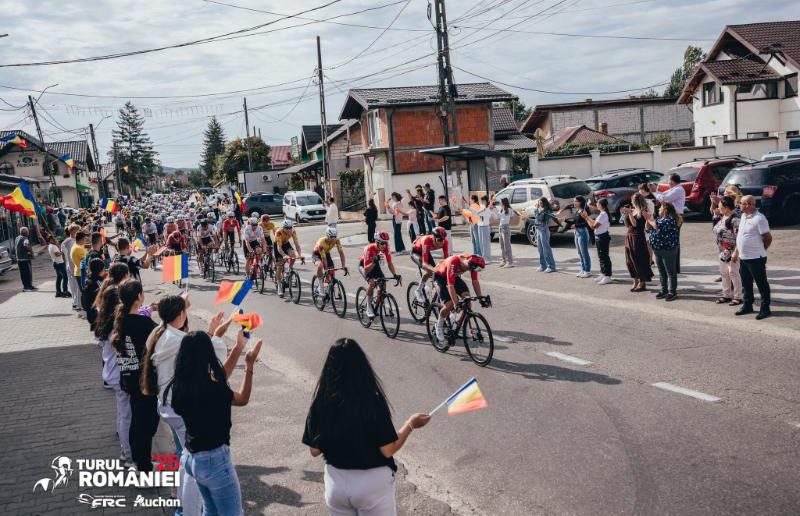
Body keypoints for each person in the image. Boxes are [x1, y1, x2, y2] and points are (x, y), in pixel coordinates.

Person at [303, 338, 430, 516]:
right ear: (362, 367)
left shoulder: (321, 401)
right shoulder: (372, 400)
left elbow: (314, 451)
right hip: (372, 483)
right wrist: (410, 424)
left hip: (336, 483)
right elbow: (388, 450)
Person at [141, 294, 239, 516]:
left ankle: (184, 505)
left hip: (168, 405)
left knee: (185, 457)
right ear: (181, 314)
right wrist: (218, 337)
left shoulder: (160, 333)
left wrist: (212, 332)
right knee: (193, 466)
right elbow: (209, 356)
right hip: (178, 410)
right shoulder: (176, 339)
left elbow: (197, 348)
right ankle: (188, 510)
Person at [168, 331, 262, 516]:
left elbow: (219, 378)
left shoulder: (180, 385)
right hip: (215, 462)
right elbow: (242, 398)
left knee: (210, 509)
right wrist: (249, 365)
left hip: (193, 458)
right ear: (208, 354)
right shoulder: (213, 389)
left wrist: (239, 347)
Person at [111, 279, 159, 472]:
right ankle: (144, 467)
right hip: (144, 381)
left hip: (128, 378)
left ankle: (138, 461)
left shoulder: (121, 320)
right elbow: (163, 336)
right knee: (146, 425)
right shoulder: (143, 323)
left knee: (137, 422)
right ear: (139, 296)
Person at [432, 254, 488, 343]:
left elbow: (475, 281)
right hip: (439, 276)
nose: (472, 271)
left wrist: (480, 298)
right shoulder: (454, 262)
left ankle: (457, 326)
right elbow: (450, 286)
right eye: (472, 269)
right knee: (449, 304)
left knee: (467, 301)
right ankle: (439, 326)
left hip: (453, 276)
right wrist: (456, 304)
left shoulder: (473, 263)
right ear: (469, 265)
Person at [733, 195, 772, 320]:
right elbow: (740, 236)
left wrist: (761, 249)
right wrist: (736, 252)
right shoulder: (743, 216)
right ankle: (747, 305)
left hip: (756, 257)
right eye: (743, 203)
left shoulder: (759, 218)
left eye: (749, 203)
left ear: (754, 205)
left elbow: (768, 237)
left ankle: (765, 308)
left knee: (761, 283)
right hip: (743, 257)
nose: (746, 206)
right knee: (746, 283)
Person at [645, 201, 681, 301]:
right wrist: (648, 219)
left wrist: (649, 218)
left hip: (668, 249)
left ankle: (672, 292)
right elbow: (647, 228)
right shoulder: (659, 219)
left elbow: (657, 226)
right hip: (657, 249)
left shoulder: (670, 219)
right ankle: (664, 290)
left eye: (661, 208)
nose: (659, 209)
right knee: (661, 271)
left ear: (665, 210)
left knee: (670, 271)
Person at [650, 174, 685, 273]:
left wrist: (655, 192)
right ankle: (673, 265)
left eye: (669, 180)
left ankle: (675, 267)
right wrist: (656, 191)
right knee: (672, 239)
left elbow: (665, 198)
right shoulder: (674, 189)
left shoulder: (678, 189)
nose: (668, 182)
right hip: (671, 216)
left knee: (674, 241)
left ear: (673, 181)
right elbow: (663, 194)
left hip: (675, 216)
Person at [359, 232, 399, 319]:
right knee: (372, 283)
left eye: (386, 242)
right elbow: (366, 269)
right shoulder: (369, 249)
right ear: (376, 242)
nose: (384, 245)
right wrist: (374, 261)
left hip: (375, 264)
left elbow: (389, 263)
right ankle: (369, 307)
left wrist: (395, 274)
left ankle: (376, 306)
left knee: (383, 284)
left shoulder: (385, 247)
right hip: (365, 266)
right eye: (382, 243)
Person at [712, 196, 743, 306]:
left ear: (726, 207)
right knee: (724, 273)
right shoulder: (722, 217)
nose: (718, 207)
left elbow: (739, 237)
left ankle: (738, 297)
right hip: (722, 250)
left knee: (733, 273)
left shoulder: (735, 220)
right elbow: (715, 229)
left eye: (720, 206)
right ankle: (726, 295)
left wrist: (736, 252)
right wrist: (715, 215)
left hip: (732, 250)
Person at [621, 194, 653, 292]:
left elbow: (635, 224)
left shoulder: (643, 211)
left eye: (632, 200)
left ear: (635, 201)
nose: (631, 202)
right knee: (629, 260)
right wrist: (625, 215)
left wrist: (630, 213)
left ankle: (642, 282)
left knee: (638, 260)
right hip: (629, 236)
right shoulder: (633, 210)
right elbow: (628, 225)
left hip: (638, 237)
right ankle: (635, 280)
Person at [411, 227, 450, 301]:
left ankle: (433, 290)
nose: (442, 242)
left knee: (437, 273)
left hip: (425, 251)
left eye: (443, 239)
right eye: (439, 240)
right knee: (430, 271)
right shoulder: (426, 240)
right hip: (416, 252)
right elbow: (424, 263)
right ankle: (418, 290)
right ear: (433, 238)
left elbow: (446, 260)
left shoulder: (445, 242)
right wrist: (434, 270)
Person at [561, 196, 592, 278]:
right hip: (577, 233)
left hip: (583, 233)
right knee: (580, 252)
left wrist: (576, 225)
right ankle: (583, 269)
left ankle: (587, 271)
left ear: (580, 202)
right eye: (574, 201)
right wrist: (565, 220)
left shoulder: (584, 211)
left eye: (576, 201)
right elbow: (574, 222)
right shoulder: (577, 211)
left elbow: (586, 223)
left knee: (584, 252)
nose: (574, 203)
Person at [313, 227, 347, 296]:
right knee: (320, 266)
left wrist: (343, 265)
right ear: (327, 235)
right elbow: (323, 258)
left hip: (326, 253)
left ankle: (329, 290)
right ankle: (320, 287)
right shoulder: (321, 243)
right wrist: (326, 269)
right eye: (331, 237)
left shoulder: (337, 240)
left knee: (331, 273)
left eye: (335, 236)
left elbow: (341, 253)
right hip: (317, 254)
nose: (333, 239)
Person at [585, 198, 612, 284]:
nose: (596, 204)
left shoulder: (603, 215)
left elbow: (593, 226)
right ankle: (603, 273)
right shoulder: (602, 213)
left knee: (604, 257)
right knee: (601, 256)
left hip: (603, 237)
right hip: (599, 237)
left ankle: (607, 276)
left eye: (597, 203)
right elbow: (594, 223)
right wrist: (588, 218)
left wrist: (586, 218)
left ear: (600, 205)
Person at [274, 219, 303, 298]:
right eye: (287, 228)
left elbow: (297, 244)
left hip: (286, 243)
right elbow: (279, 248)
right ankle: (279, 285)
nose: (289, 230)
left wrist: (299, 255)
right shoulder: (279, 232)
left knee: (293, 255)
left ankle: (289, 270)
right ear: (283, 227)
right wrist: (284, 255)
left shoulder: (293, 231)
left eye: (290, 227)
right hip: (278, 245)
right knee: (279, 266)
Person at [531, 198, 560, 272]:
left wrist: (538, 210)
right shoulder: (538, 210)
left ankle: (551, 266)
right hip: (538, 229)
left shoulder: (547, 211)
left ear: (544, 203)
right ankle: (543, 265)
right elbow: (536, 219)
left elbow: (540, 218)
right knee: (540, 248)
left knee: (546, 248)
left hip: (544, 230)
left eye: (541, 202)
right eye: (539, 202)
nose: (539, 204)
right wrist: (537, 210)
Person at [62, 224, 80, 308]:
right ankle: (76, 302)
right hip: (73, 265)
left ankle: (75, 301)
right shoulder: (71, 242)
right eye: (77, 231)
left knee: (72, 284)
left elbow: (63, 255)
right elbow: (71, 256)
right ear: (73, 231)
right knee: (76, 285)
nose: (78, 232)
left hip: (68, 265)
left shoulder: (66, 241)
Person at [495, 197, 515, 268]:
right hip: (500, 228)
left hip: (505, 228)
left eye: (500, 202)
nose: (499, 203)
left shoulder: (509, 209)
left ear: (503, 202)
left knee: (507, 246)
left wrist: (507, 222)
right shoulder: (501, 209)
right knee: (502, 246)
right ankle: (504, 261)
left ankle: (510, 262)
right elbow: (497, 217)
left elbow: (512, 216)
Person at [15, 227, 36, 292]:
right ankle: (27, 287)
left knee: (23, 274)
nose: (28, 232)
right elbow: (26, 245)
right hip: (25, 258)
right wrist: (31, 252)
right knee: (27, 273)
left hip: (19, 259)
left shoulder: (17, 238)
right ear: (25, 232)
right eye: (27, 231)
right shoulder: (25, 238)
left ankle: (28, 286)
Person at [476, 195, 494, 263]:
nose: (482, 202)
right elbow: (477, 214)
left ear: (486, 201)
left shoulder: (488, 208)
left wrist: (486, 208)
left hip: (485, 226)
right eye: (481, 201)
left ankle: (488, 259)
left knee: (486, 243)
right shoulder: (481, 208)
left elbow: (489, 215)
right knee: (481, 243)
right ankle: (483, 258)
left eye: (483, 201)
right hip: (480, 226)